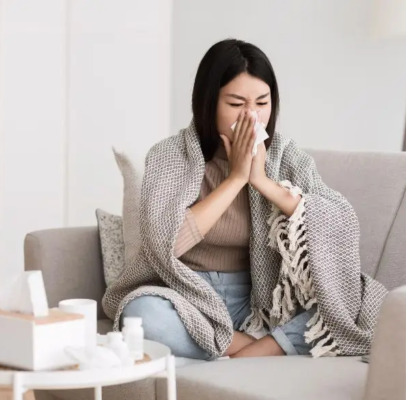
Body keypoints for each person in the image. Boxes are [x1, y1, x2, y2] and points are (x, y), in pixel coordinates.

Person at [102, 39, 387, 360]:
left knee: (360, 303)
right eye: (237, 104)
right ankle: (254, 349)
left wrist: (262, 181)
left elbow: (336, 221)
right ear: (209, 104)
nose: (252, 117)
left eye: (262, 103)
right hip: (186, 295)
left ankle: (233, 347)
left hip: (259, 303)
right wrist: (236, 178)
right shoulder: (170, 156)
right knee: (143, 315)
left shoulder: (286, 155)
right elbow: (165, 244)